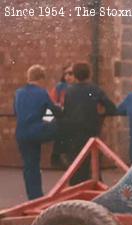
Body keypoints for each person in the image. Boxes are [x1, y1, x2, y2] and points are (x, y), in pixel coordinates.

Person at [63, 62, 117, 185]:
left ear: (75, 75)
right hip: (91, 133)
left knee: (76, 170)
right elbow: (111, 108)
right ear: (89, 74)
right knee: (93, 168)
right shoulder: (94, 90)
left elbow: (66, 112)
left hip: (74, 135)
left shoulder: (70, 92)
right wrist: (100, 114)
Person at [14, 65, 61, 200]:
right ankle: (59, 154)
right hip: (37, 131)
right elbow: (53, 110)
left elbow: (16, 111)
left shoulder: (18, 93)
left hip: (21, 133)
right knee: (59, 127)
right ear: (41, 78)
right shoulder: (42, 92)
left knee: (29, 165)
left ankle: (33, 196)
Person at [49, 64, 74, 169]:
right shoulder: (59, 87)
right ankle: (58, 158)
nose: (67, 76)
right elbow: (52, 101)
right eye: (66, 74)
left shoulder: (78, 87)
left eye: (70, 74)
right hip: (62, 118)